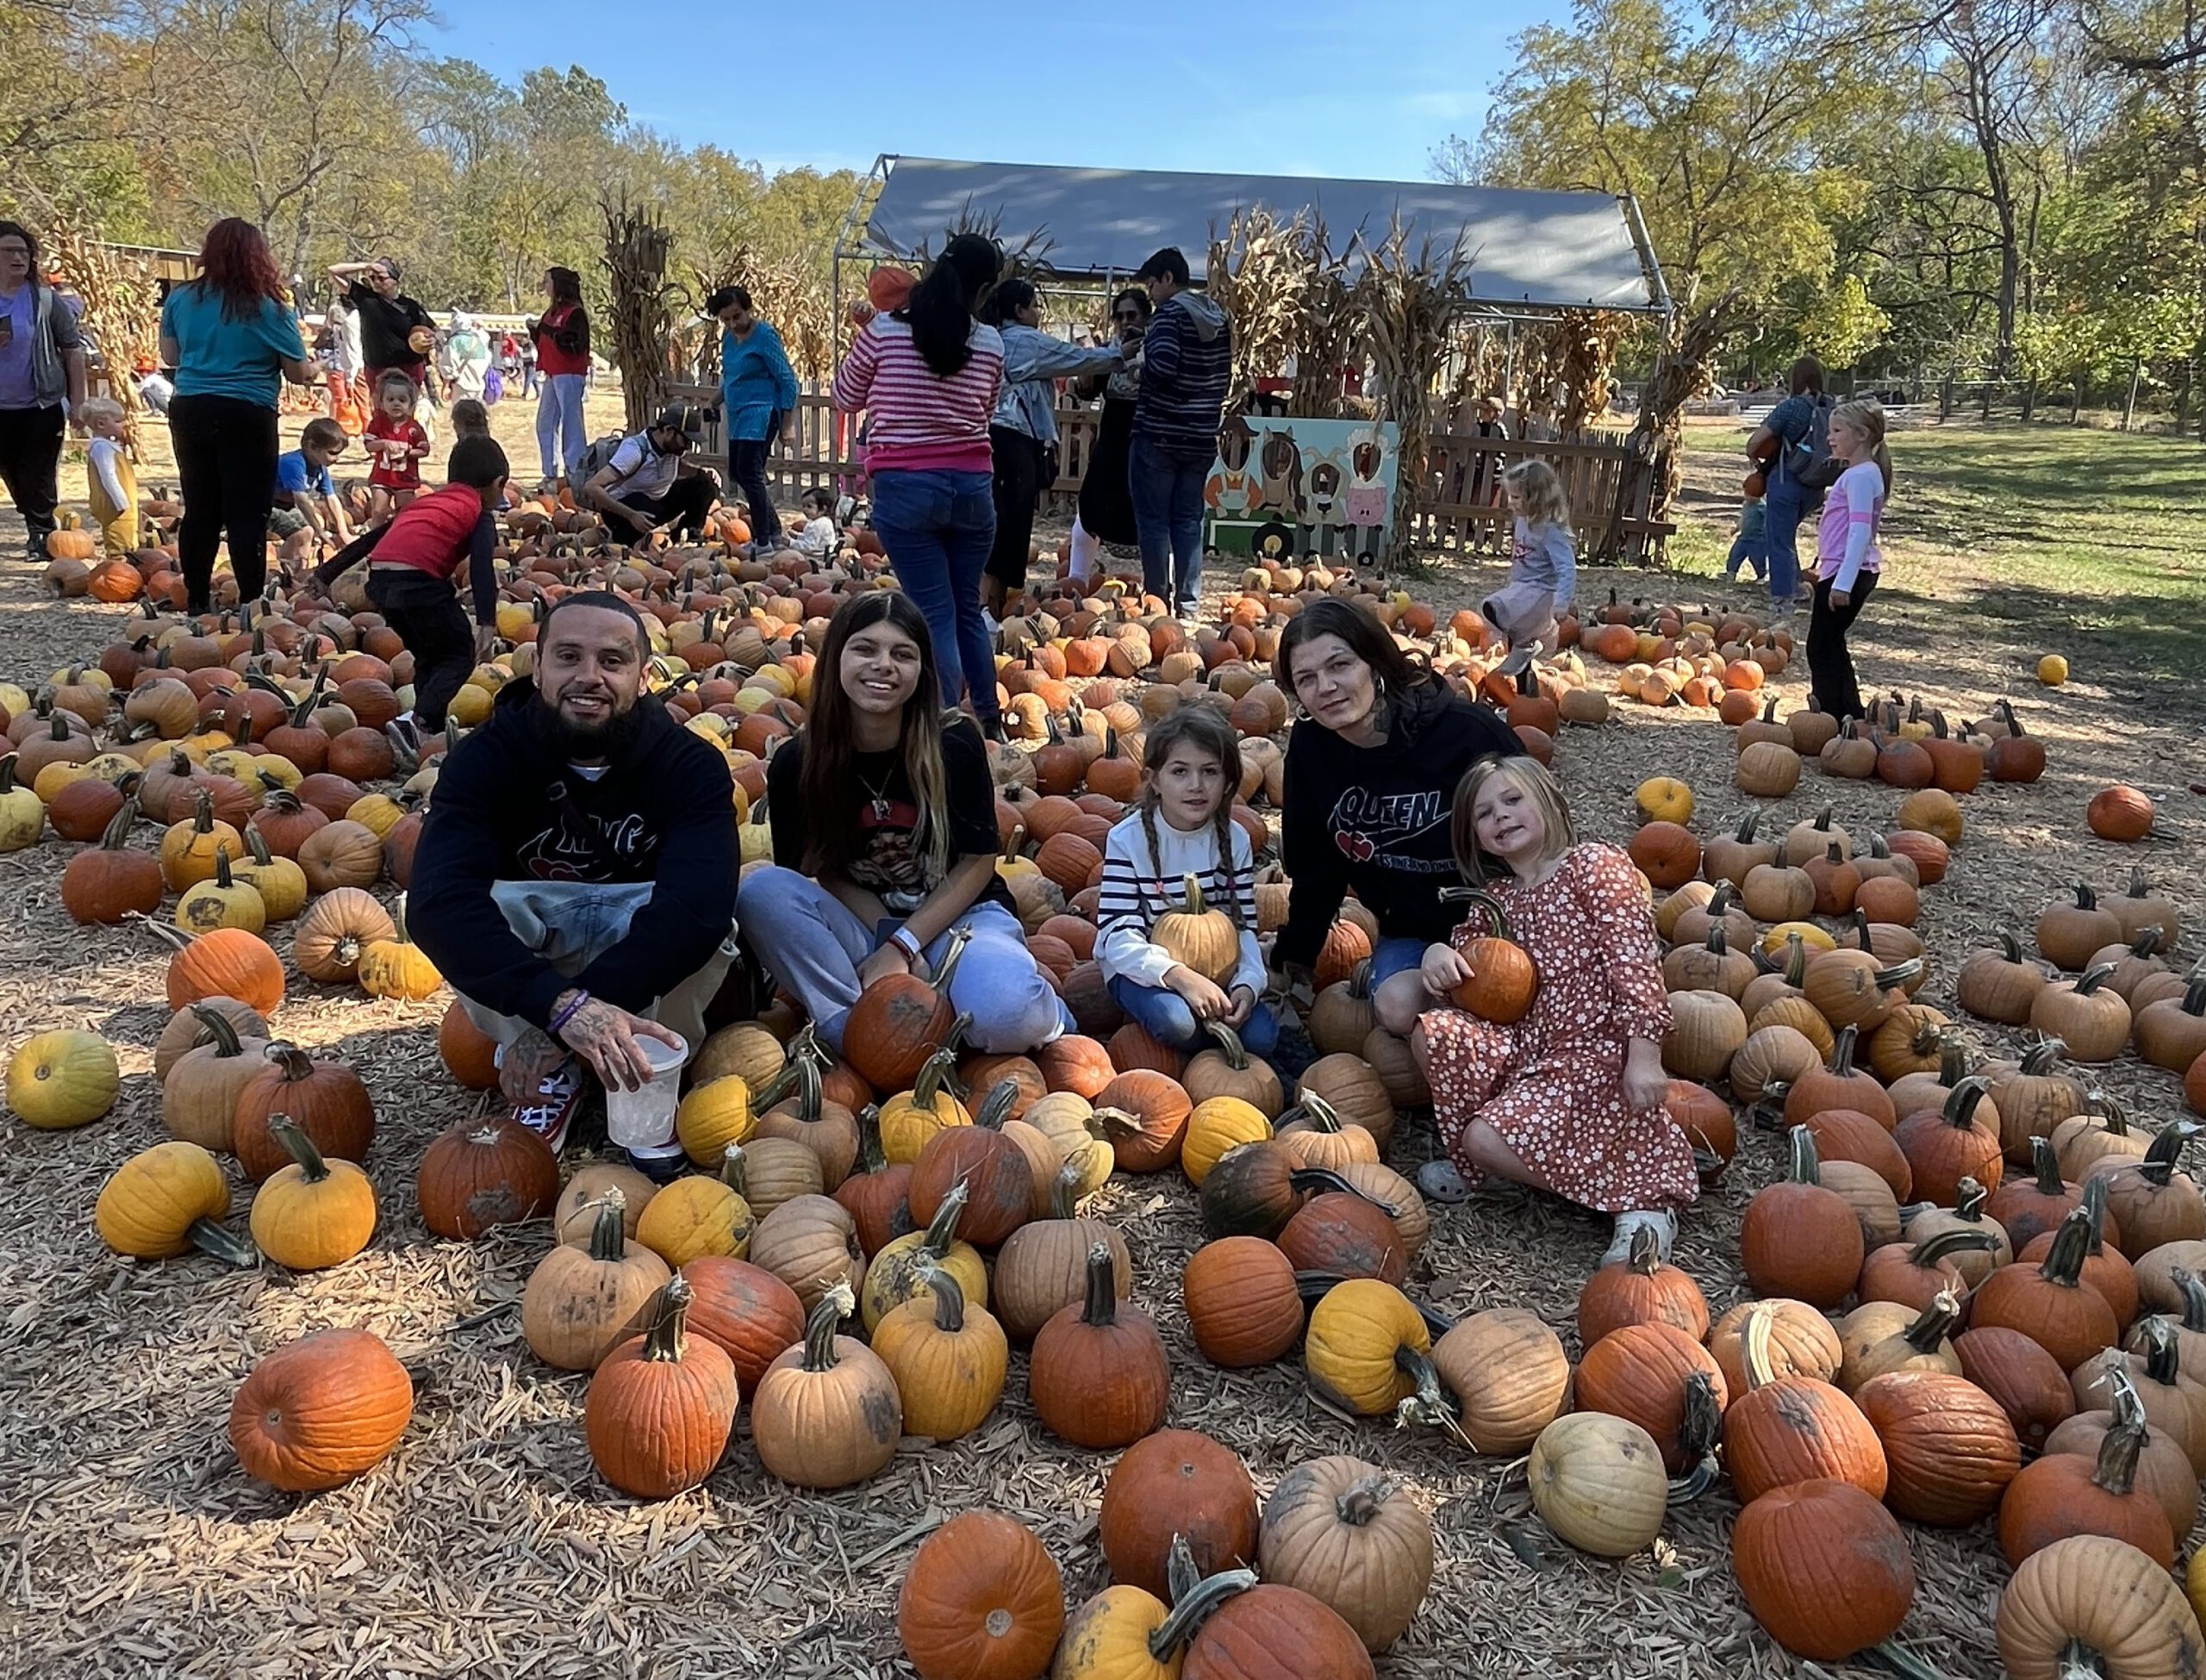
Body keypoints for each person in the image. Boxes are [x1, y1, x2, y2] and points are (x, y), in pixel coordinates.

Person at [409, 591, 739, 1162]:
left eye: (612, 661)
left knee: (715, 926)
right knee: (461, 908)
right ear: (536, 668)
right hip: (541, 946)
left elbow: (696, 907)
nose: (589, 677)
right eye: (568, 657)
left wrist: (559, 1023)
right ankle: (555, 1066)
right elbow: (441, 901)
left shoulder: (691, 765)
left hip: (636, 945)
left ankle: (639, 1069)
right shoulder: (484, 759)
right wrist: (557, 1008)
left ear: (642, 676)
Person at [738, 591, 1068, 1058]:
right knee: (761, 891)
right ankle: (852, 1028)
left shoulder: (954, 743)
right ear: (835, 659)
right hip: (866, 921)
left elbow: (978, 862)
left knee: (1011, 1016)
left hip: (962, 917)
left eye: (902, 654)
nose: (884, 665)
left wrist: (906, 942)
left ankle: (1018, 1012)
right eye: (866, 649)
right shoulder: (798, 762)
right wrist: (890, 942)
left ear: (922, 670)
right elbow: (820, 870)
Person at [1411, 755, 1698, 1263]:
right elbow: (1467, 981)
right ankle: (1502, 1162)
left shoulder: (1592, 866)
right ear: (1473, 835)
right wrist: (1438, 954)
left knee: (1483, 1138)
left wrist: (1645, 1054)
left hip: (1594, 1051)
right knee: (1434, 1031)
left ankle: (1643, 1199)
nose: (1499, 816)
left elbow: (1634, 962)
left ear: (1546, 800)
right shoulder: (1495, 900)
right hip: (1529, 1053)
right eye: (1483, 813)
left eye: (1512, 800)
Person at [1270, 597, 1524, 1037]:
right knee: (1397, 1008)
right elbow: (1316, 867)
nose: (1326, 686)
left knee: (1516, 995)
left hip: (1504, 926)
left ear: (1375, 662)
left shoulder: (1468, 735)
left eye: (1339, 666)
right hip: (1414, 932)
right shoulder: (1312, 751)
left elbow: (1540, 838)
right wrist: (1295, 957)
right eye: (1306, 679)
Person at [829, 233, 1006, 730]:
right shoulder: (990, 342)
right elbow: (985, 412)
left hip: (907, 487)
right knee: (966, 609)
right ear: (985, 288)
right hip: (973, 489)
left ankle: (944, 724)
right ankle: (988, 718)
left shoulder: (884, 331)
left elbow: (845, 396)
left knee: (934, 615)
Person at [1097, 706, 1279, 1060]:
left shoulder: (1235, 840)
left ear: (1227, 782)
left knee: (1261, 1037)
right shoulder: (1126, 840)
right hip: (1142, 968)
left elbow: (1242, 926)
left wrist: (1248, 983)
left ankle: (1208, 1043)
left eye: (1209, 772)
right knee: (1178, 1023)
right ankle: (1192, 1050)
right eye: (1180, 771)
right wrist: (1179, 976)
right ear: (1154, 779)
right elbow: (1117, 935)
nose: (1196, 786)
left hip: (1216, 972)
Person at [310, 433, 508, 755]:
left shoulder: (425, 502)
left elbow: (371, 539)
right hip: (420, 584)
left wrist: (325, 574)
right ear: (498, 484)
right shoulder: (477, 512)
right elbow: (483, 567)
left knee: (430, 655)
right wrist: (486, 621)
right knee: (458, 654)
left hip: (382, 583)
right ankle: (418, 722)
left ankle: (426, 729)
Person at [160, 217, 318, 613]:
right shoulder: (269, 308)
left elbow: (170, 356)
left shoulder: (181, 298)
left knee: (200, 509)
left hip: (191, 407)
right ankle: (250, 602)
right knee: (247, 513)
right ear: (258, 256)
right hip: (247, 410)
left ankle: (196, 598)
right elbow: (298, 373)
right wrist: (312, 368)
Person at [980, 277, 1126, 616]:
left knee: (997, 518)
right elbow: (1072, 357)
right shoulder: (1023, 341)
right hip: (1013, 439)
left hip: (992, 437)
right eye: (1033, 306)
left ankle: (991, 600)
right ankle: (988, 603)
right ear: (1019, 310)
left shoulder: (991, 339)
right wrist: (1118, 355)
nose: (1037, 313)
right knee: (1010, 523)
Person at [1129, 247, 1231, 619]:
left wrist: (1139, 369)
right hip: (1201, 434)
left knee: (1154, 522)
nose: (1151, 293)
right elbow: (1224, 377)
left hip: (1160, 433)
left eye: (1153, 284)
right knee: (1188, 521)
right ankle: (1188, 605)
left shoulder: (1170, 315)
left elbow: (1164, 366)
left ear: (1169, 279)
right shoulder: (1218, 319)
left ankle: (1157, 601)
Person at [0, 221, 90, 561]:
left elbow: (72, 348)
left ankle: (41, 534)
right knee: (11, 469)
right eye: (9, 251)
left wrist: (78, 402)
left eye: (23, 251)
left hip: (41, 403)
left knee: (38, 470)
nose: (18, 257)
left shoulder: (45, 301)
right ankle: (34, 518)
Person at [1807, 398, 1891, 720]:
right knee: (1831, 644)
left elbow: (1858, 533)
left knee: (1820, 647)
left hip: (1849, 574)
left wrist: (1841, 583)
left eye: (1837, 430)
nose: (1830, 437)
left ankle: (1828, 718)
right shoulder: (1862, 473)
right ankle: (1849, 716)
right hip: (1846, 570)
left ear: (1861, 435)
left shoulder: (1859, 477)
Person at [706, 284, 799, 545]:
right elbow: (733, 375)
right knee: (737, 471)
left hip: (762, 410)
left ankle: (763, 539)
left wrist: (787, 424)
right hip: (737, 413)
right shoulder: (728, 339)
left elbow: (787, 380)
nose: (733, 324)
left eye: (737, 316)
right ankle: (773, 527)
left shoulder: (765, 336)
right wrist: (716, 399)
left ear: (748, 309)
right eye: (726, 319)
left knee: (750, 470)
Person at [1744, 356, 1833, 627]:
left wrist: (1755, 458)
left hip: (1787, 479)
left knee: (1778, 539)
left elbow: (1755, 442)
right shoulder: (1831, 405)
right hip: (1817, 483)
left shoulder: (1791, 407)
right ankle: (1795, 585)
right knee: (1787, 535)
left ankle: (1783, 598)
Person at [581, 404, 720, 540]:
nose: (688, 447)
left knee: (705, 484)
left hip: (656, 502)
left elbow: (678, 466)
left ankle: (689, 535)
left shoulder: (672, 449)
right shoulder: (634, 451)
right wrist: (631, 515)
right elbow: (592, 487)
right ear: (668, 430)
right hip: (624, 511)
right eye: (685, 440)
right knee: (646, 507)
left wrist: (702, 472)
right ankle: (625, 538)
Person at [1481, 459, 1575, 651]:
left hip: (1540, 591)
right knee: (1509, 623)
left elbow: (1566, 566)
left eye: (1516, 497)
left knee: (1495, 607)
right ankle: (1525, 652)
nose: (1510, 502)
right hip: (1521, 586)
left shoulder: (1549, 529)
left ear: (1536, 498)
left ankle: (1533, 643)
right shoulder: (1524, 519)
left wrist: (1562, 602)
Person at [327, 258, 438, 399]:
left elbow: (434, 329)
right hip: (378, 369)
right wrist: (366, 266)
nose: (376, 282)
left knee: (405, 411)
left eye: (381, 278)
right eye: (372, 278)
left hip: (408, 367)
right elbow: (333, 270)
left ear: (395, 281)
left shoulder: (410, 306)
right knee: (381, 413)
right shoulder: (367, 299)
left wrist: (432, 339)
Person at [530, 267, 590, 484]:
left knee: (571, 422)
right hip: (553, 372)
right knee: (545, 422)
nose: (545, 286)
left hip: (570, 373)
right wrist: (537, 333)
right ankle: (550, 471)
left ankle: (574, 471)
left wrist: (549, 332)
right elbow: (548, 341)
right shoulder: (551, 313)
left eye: (548, 281)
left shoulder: (574, 313)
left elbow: (575, 344)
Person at [271, 416, 352, 551]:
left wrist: (343, 532)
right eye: (332, 453)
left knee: (309, 531)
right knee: (304, 533)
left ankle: (300, 566)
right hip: (264, 506)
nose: (337, 459)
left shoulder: (320, 468)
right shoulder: (293, 464)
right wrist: (320, 532)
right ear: (311, 446)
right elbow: (301, 501)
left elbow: (331, 498)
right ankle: (288, 567)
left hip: (286, 507)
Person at [363, 370, 430, 520]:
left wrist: (408, 451)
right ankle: (375, 540)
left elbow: (424, 450)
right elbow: (369, 445)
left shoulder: (414, 428)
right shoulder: (377, 424)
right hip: (382, 475)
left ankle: (401, 539)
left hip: (406, 477)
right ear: (381, 402)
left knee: (405, 513)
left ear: (411, 404)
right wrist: (383, 443)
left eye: (402, 400)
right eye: (391, 399)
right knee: (379, 511)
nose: (396, 404)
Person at [79, 397, 138, 560]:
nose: (123, 424)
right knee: (118, 541)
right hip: (116, 507)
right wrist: (121, 502)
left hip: (125, 507)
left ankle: (130, 568)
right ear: (101, 424)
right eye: (118, 421)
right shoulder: (101, 448)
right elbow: (108, 476)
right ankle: (117, 570)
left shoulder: (110, 446)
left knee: (127, 537)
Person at [446, 313, 491, 404]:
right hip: (478, 384)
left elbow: (448, 366)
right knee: (477, 412)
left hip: (461, 385)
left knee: (460, 413)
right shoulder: (480, 340)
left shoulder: (454, 342)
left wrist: (446, 384)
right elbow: (487, 360)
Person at [1726, 490, 1768, 585]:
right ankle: (1731, 573)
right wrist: (1736, 529)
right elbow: (1743, 518)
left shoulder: (1762, 507)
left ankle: (1761, 575)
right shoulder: (1746, 505)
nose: (1747, 497)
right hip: (1743, 538)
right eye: (1746, 494)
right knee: (1734, 555)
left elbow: (1768, 522)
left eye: (1751, 495)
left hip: (1757, 539)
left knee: (1757, 559)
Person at [789, 486, 838, 558]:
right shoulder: (820, 521)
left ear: (822, 509)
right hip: (819, 553)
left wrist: (790, 542)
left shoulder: (819, 524)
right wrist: (798, 536)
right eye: (803, 506)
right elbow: (811, 537)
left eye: (809, 506)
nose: (805, 509)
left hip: (818, 556)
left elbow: (810, 547)